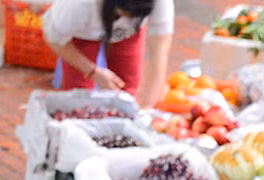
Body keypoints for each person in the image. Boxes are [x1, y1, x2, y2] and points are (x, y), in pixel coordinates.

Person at [42, 0, 173, 109]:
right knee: (79, 99)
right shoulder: (76, 5)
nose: (124, 20)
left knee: (125, 93)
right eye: (120, 15)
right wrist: (92, 71)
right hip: (83, 32)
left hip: (129, 34)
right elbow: (54, 39)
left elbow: (159, 55)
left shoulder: (161, 3)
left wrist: (147, 108)